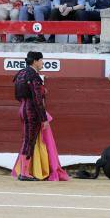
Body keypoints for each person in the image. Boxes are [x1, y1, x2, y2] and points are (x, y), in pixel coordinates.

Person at [12, 51, 68, 182]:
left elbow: (17, 95)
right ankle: (24, 173)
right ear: (35, 61)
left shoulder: (20, 73)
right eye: (41, 60)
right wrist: (43, 118)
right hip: (32, 110)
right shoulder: (34, 76)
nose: (43, 63)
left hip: (22, 108)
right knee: (29, 140)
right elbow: (37, 99)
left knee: (27, 139)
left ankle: (24, 171)